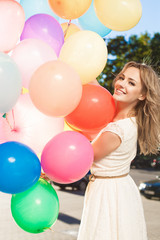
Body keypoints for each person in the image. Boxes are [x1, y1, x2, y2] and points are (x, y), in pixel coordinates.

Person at [77, 61, 160, 240]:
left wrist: (48, 172)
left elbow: (82, 158)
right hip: (119, 188)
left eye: (131, 83)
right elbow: (92, 83)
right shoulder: (116, 112)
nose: (121, 84)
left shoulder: (118, 130)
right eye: (121, 77)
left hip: (108, 193)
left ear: (143, 94)